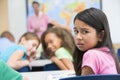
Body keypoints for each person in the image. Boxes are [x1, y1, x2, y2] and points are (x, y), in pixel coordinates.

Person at [73, 7, 120, 75]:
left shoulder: (91, 55)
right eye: (76, 31)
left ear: (100, 35)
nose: (78, 37)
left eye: (85, 31)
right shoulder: (109, 53)